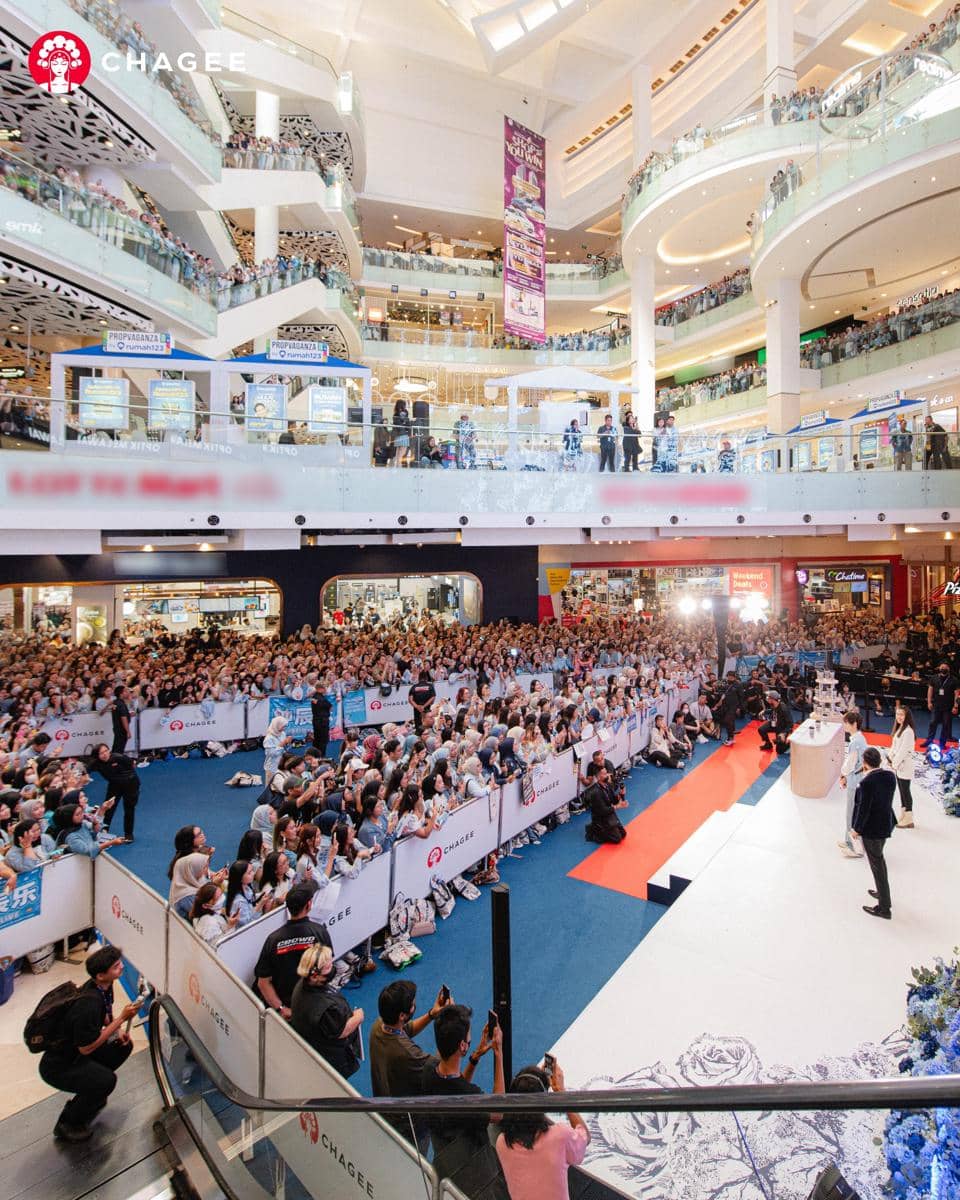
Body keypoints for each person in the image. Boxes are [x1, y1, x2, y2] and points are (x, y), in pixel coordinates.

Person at [37, 945, 142, 1143]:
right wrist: (121, 1020)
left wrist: (115, 1029)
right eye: (115, 966)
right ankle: (68, 1123)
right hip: (60, 1065)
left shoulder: (103, 987)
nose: (121, 968)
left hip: (76, 1055)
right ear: (101, 975)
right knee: (106, 1081)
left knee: (122, 1046)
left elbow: (105, 1014)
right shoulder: (88, 1004)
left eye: (120, 963)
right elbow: (86, 1047)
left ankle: (92, 1092)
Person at [424, 1004, 508, 1200]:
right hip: (476, 1174)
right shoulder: (470, 1096)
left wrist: (475, 1056)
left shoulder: (429, 1070)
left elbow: (456, 1081)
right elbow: (498, 1112)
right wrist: (498, 1053)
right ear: (462, 1046)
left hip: (446, 1161)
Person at [369, 979, 451, 1153]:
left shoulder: (378, 1026)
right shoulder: (407, 1054)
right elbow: (438, 1069)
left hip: (384, 1108)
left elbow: (406, 1029)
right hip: (410, 1125)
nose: (415, 1005)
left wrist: (432, 1014)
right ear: (401, 1015)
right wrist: (448, 1027)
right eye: (412, 1004)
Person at [495, 1060, 590, 1200]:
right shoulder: (560, 1136)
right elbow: (585, 1137)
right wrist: (562, 1093)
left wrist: (535, 1079)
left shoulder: (501, 1142)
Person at [254, 883, 331, 1018]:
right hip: (314, 1007)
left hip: (285, 1011)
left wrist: (281, 1009)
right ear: (308, 905)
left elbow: (263, 982)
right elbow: (327, 970)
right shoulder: (320, 932)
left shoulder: (273, 940)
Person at [290, 943, 363, 1079]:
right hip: (330, 1056)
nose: (333, 967)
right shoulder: (325, 1007)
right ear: (315, 976)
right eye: (328, 967)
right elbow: (341, 1031)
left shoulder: (302, 984)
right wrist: (358, 1017)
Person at [851, 746, 897, 920]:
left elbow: (864, 809)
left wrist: (856, 829)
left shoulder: (867, 783)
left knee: (877, 866)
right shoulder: (889, 776)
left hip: (872, 830)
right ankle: (882, 893)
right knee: (879, 861)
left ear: (865, 763)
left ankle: (884, 907)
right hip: (885, 825)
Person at [88, 744, 140, 842]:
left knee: (129, 809)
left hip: (130, 785)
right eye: (101, 753)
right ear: (97, 755)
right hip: (114, 786)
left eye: (106, 751)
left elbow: (132, 764)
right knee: (108, 809)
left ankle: (128, 834)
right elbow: (86, 770)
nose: (104, 754)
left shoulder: (119, 757)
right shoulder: (95, 764)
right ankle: (104, 830)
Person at [839, 709, 867, 858]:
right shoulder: (860, 739)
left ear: (854, 724)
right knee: (852, 811)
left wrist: (843, 774)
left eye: (846, 723)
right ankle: (848, 840)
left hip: (854, 780)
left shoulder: (855, 742)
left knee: (851, 812)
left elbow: (850, 763)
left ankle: (853, 846)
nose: (844, 726)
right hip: (857, 778)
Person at [582, 763, 629, 843]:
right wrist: (617, 806)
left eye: (606, 772)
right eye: (604, 774)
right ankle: (594, 830)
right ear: (598, 777)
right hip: (601, 817)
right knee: (617, 839)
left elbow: (614, 800)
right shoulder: (596, 792)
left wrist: (621, 794)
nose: (607, 775)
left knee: (623, 834)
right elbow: (603, 811)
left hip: (609, 814)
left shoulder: (608, 785)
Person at [888, 703, 916, 828]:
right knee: (901, 791)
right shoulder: (900, 729)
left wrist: (894, 763)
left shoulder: (908, 731)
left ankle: (909, 818)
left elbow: (903, 751)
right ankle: (904, 814)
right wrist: (890, 757)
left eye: (901, 715)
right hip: (898, 766)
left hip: (904, 766)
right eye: (897, 714)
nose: (899, 717)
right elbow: (894, 747)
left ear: (907, 716)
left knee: (905, 791)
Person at [925, 660, 958, 745]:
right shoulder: (934, 678)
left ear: (949, 669)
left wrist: (955, 706)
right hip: (936, 705)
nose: (943, 668)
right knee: (932, 723)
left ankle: (942, 743)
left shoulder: (954, 680)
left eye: (945, 667)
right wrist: (929, 702)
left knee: (946, 725)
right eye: (942, 667)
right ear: (939, 668)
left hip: (948, 706)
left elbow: (957, 694)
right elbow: (930, 690)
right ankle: (929, 741)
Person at [758, 690, 793, 754]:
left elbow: (790, 723)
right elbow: (772, 710)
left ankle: (790, 743)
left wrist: (784, 733)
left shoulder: (783, 709)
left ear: (772, 699)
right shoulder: (774, 704)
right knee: (761, 729)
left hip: (782, 727)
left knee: (779, 751)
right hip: (774, 723)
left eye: (768, 697)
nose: (767, 698)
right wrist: (765, 711)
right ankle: (768, 744)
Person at [110, 685, 131, 754]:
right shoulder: (121, 704)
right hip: (121, 730)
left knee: (116, 747)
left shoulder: (115, 702)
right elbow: (123, 718)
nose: (128, 692)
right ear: (121, 694)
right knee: (119, 749)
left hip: (117, 728)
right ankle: (116, 762)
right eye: (126, 691)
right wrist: (127, 731)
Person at [310, 691, 332, 757]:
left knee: (317, 739)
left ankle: (315, 755)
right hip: (323, 722)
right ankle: (322, 756)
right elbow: (330, 706)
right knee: (323, 740)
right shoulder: (323, 699)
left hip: (316, 721)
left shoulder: (314, 698)